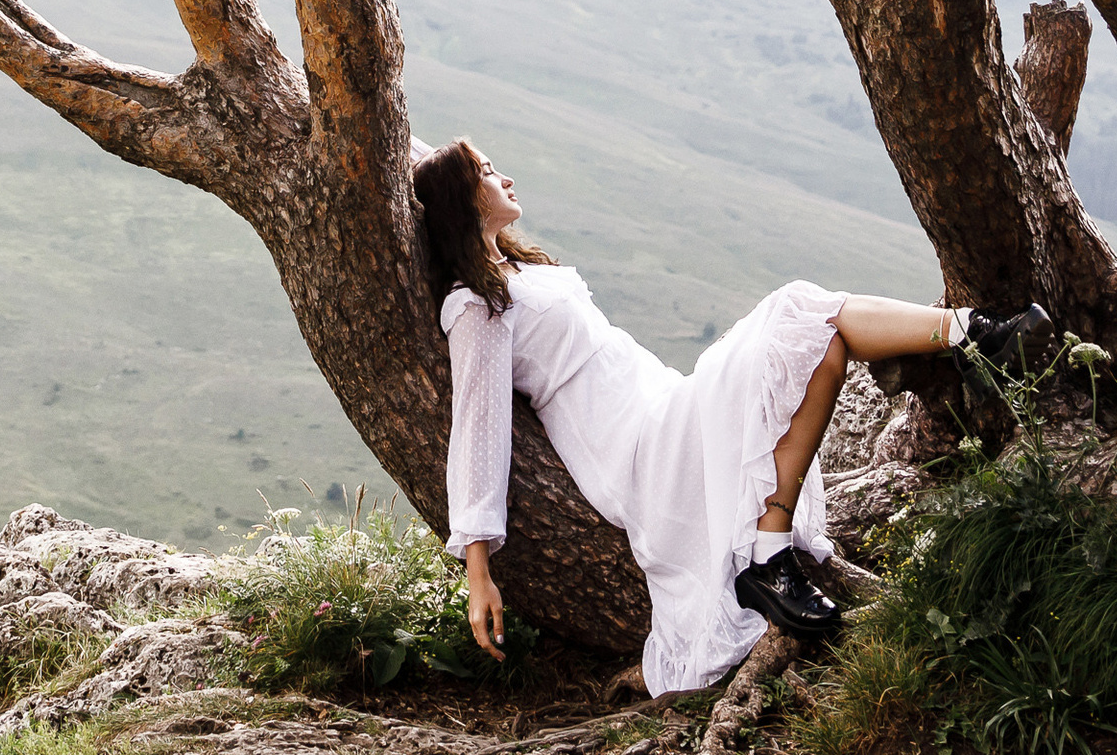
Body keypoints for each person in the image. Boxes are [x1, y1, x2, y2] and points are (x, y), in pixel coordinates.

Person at [413, 137, 1047, 694]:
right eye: (488, 171)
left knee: (816, 336)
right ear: (463, 201)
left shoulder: (518, 269)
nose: (507, 177)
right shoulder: (474, 306)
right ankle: (977, 335)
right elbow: (478, 428)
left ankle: (973, 335)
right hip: (633, 443)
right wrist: (478, 573)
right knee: (798, 309)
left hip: (659, 401)